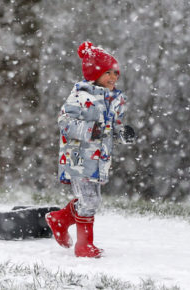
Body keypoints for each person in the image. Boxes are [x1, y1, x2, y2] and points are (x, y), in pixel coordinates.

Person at [46, 41, 135, 257]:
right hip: (78, 156)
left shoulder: (116, 99)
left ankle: (60, 219)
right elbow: (64, 122)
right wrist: (89, 131)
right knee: (90, 200)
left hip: (100, 158)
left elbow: (114, 125)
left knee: (91, 199)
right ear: (94, 73)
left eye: (116, 72)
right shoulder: (80, 95)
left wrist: (122, 133)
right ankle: (84, 245)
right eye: (107, 72)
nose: (113, 77)